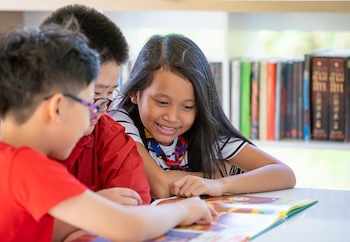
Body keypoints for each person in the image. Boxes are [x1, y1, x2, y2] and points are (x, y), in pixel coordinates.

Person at [0, 22, 215, 242]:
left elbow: (32, 231)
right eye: (89, 104)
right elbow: (132, 228)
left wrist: (95, 206)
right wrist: (184, 210)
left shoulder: (8, 160)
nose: (93, 117)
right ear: (57, 108)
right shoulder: (32, 167)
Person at [110, 33, 296, 199]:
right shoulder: (120, 122)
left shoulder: (204, 130)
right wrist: (214, 174)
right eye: (162, 103)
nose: (172, 116)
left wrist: (220, 184)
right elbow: (160, 186)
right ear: (135, 93)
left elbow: (284, 174)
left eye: (187, 106)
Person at [41, 4, 151, 205]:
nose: (100, 110)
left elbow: (135, 204)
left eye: (109, 94)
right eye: (93, 95)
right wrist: (94, 206)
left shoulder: (109, 135)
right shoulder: (20, 143)